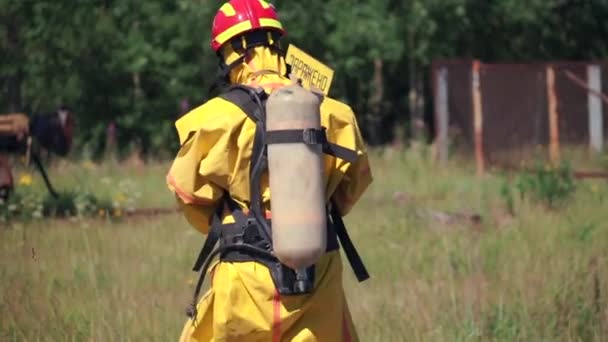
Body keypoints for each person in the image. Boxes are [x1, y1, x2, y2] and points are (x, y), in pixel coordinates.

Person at [166, 1, 373, 341]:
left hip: (245, 268)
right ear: (277, 43)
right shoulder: (335, 113)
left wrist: (228, 221)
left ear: (231, 53)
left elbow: (187, 192)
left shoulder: (215, 118)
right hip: (318, 264)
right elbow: (351, 188)